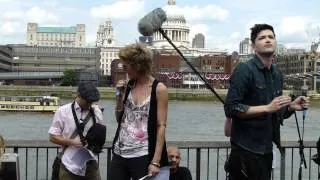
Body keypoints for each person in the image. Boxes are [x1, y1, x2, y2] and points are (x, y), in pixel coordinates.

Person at [224, 24, 310, 180]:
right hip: (245, 151)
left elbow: (276, 113)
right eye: (262, 38)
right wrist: (267, 108)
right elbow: (231, 108)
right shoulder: (244, 70)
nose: (268, 40)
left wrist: (291, 107)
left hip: (267, 151)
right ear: (253, 47)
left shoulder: (277, 74)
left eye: (271, 37)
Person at [110, 43, 169, 180]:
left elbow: (161, 126)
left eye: (127, 66)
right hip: (119, 152)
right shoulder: (129, 86)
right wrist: (119, 97)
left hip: (142, 154)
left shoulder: (159, 89)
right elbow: (119, 119)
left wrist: (155, 161)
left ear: (138, 65)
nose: (125, 70)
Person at [48, 82, 104, 180]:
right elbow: (52, 137)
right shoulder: (63, 111)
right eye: (87, 101)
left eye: (92, 102)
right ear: (78, 95)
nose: (89, 104)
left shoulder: (97, 112)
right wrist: (71, 142)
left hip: (90, 163)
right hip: (68, 165)